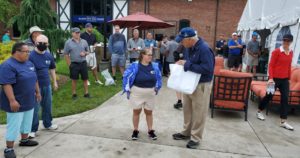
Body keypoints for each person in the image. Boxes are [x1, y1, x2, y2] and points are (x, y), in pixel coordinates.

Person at [172, 27, 214, 149]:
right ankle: (186, 132)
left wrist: (187, 64)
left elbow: (207, 69)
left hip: (201, 85)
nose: (181, 43)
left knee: (199, 112)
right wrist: (183, 62)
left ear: (190, 39)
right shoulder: (188, 47)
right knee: (187, 109)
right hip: (189, 82)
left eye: (182, 40)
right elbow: (190, 62)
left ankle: (195, 137)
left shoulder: (204, 49)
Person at [0, 42, 41, 158]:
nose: (28, 54)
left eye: (29, 51)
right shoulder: (7, 65)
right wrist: (12, 100)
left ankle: (24, 140)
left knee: (27, 122)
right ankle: (9, 149)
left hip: (29, 100)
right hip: (16, 102)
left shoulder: (29, 63)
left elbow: (35, 79)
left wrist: (37, 92)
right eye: (26, 52)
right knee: (14, 125)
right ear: (17, 52)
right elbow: (6, 84)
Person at [256, 34, 294, 131]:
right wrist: (271, 78)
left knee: (285, 98)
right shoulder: (276, 51)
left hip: (285, 80)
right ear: (282, 41)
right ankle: (259, 111)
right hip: (274, 79)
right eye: (284, 40)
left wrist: (289, 78)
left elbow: (289, 66)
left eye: (288, 41)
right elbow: (271, 65)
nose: (286, 42)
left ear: (290, 42)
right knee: (269, 95)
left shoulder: (291, 53)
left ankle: (283, 121)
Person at [122, 49, 162, 141]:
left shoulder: (155, 66)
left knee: (149, 112)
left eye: (151, 55)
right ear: (142, 55)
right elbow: (126, 76)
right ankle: (135, 130)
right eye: (148, 55)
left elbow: (158, 77)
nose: (150, 56)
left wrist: (157, 87)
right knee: (136, 112)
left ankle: (150, 130)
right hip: (137, 93)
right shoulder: (134, 65)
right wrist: (127, 88)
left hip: (150, 94)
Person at [28, 35, 59, 139]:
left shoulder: (48, 55)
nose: (43, 45)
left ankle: (48, 124)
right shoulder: (30, 56)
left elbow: (52, 69)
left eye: (45, 43)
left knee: (47, 106)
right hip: (34, 86)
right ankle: (32, 129)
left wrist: (54, 82)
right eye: (41, 43)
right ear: (36, 43)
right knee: (35, 108)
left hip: (47, 85)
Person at [64, 27, 90, 100]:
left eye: (79, 32)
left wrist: (84, 53)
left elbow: (88, 51)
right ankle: (74, 94)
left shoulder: (84, 41)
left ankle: (86, 93)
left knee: (85, 79)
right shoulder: (68, 42)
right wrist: (69, 65)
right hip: (74, 64)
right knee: (74, 80)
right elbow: (66, 54)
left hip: (83, 63)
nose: (78, 34)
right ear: (72, 33)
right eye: (76, 33)